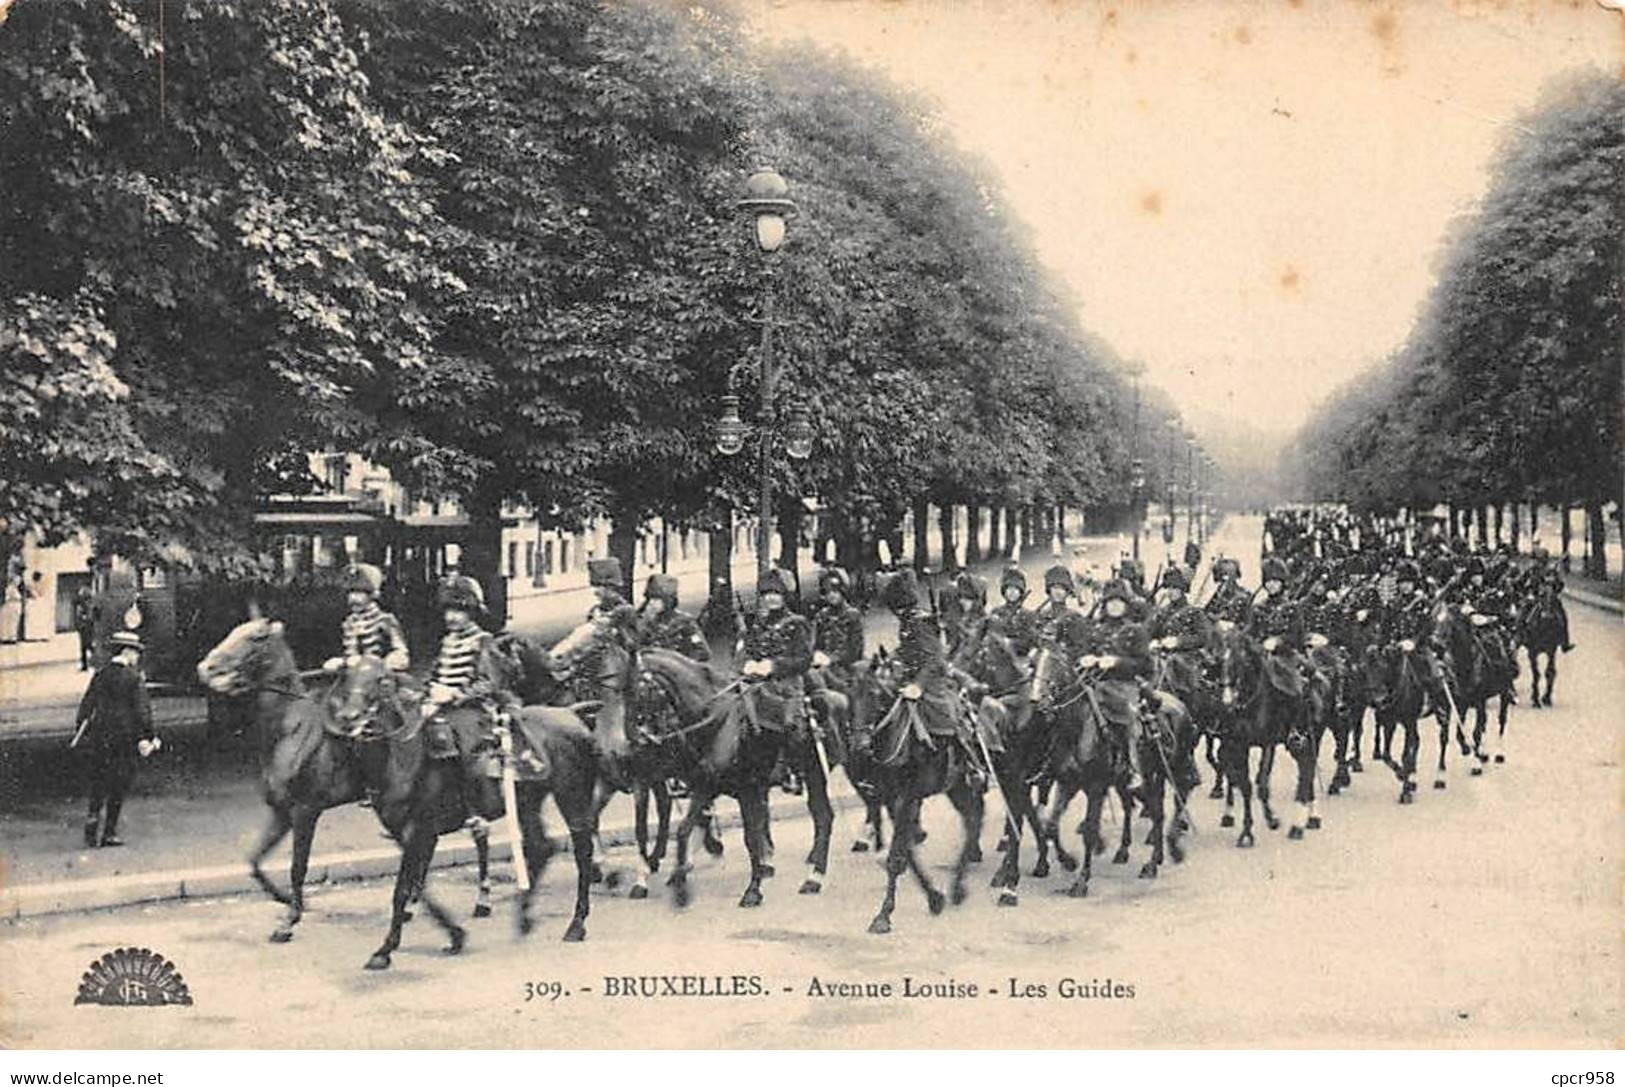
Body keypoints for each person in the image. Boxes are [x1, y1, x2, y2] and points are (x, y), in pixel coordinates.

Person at [422, 575, 524, 822]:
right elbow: (435, 674)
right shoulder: (447, 641)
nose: (451, 617)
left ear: (472, 612)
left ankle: (472, 808)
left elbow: (490, 683)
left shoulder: (483, 641)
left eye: (459, 611)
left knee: (465, 748)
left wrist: (454, 695)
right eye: (448, 610)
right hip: (441, 707)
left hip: (473, 711)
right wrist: (428, 692)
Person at [880, 569, 986, 784]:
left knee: (945, 717)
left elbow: (935, 659)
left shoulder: (919, 622)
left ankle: (970, 764)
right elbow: (909, 648)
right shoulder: (908, 620)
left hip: (932, 682)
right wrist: (893, 657)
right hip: (909, 678)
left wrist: (918, 685)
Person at [72, 630, 159, 848]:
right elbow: (142, 711)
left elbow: (86, 705)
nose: (137, 657)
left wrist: (82, 730)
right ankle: (109, 831)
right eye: (136, 652)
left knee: (99, 779)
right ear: (127, 652)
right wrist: (148, 735)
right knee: (119, 783)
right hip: (124, 737)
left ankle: (92, 819)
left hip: (100, 734)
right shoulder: (133, 678)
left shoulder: (100, 675)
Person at [1087, 579, 1150, 796]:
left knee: (1132, 719)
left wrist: (1116, 662)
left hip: (1125, 686)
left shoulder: (1136, 631)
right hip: (1097, 685)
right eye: (1110, 602)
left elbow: (1144, 664)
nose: (1114, 606)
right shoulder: (1096, 629)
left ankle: (1135, 769)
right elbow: (1086, 653)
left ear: (1126, 605)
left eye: (1118, 602)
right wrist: (1086, 660)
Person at [324, 564, 410, 674]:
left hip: (381, 679)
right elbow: (350, 655)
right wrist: (341, 662)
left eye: (359, 592)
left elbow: (401, 654)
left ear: (373, 595)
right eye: (350, 592)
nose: (353, 598)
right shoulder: (348, 623)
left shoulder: (385, 620)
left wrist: (384, 663)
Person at [809, 566, 864, 684]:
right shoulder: (821, 616)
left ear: (842, 592)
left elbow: (855, 651)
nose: (831, 595)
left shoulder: (852, 615)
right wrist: (817, 656)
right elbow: (818, 644)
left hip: (846, 668)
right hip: (822, 665)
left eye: (835, 591)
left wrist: (831, 659)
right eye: (827, 592)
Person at [638, 573, 709, 661]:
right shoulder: (650, 623)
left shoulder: (685, 622)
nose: (651, 603)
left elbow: (703, 651)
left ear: (668, 601)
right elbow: (640, 647)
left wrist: (681, 662)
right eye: (650, 599)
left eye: (656, 599)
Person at [73, 586, 99, 671]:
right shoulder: (89, 604)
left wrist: (82, 622)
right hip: (86, 627)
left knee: (86, 646)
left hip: (86, 628)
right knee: (87, 646)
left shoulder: (87, 605)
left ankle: (89, 663)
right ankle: (87, 663)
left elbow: (89, 617)